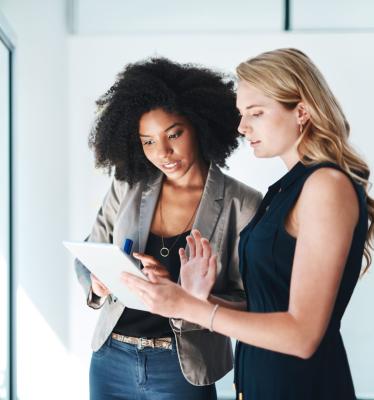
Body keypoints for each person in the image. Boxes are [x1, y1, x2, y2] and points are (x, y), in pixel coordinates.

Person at [121, 48, 374, 400]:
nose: (242, 127)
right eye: (241, 114)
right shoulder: (285, 189)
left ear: (302, 112)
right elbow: (268, 307)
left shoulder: (326, 186)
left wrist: (188, 307)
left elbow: (302, 335)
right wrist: (199, 296)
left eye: (256, 113)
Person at [74, 57, 262, 400]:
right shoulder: (127, 186)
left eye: (173, 134)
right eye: (148, 141)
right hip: (110, 357)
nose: (163, 152)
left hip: (182, 366)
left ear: (200, 125)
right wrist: (98, 284)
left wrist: (183, 292)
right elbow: (89, 253)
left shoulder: (243, 204)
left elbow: (252, 301)